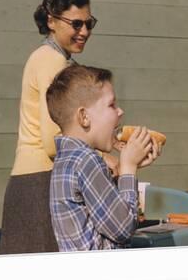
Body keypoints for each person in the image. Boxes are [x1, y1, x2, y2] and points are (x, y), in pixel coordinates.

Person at [0, 0, 100, 254]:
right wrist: (103, 158)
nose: (85, 32)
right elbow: (53, 142)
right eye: (76, 24)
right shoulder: (51, 61)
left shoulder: (56, 60)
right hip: (39, 184)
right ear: (51, 21)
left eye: (89, 24)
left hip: (36, 181)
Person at [46, 64, 160, 251]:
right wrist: (128, 168)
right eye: (111, 105)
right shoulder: (87, 160)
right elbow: (123, 228)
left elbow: (102, 219)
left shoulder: (66, 159)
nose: (120, 111)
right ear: (84, 117)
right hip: (102, 273)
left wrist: (127, 168)